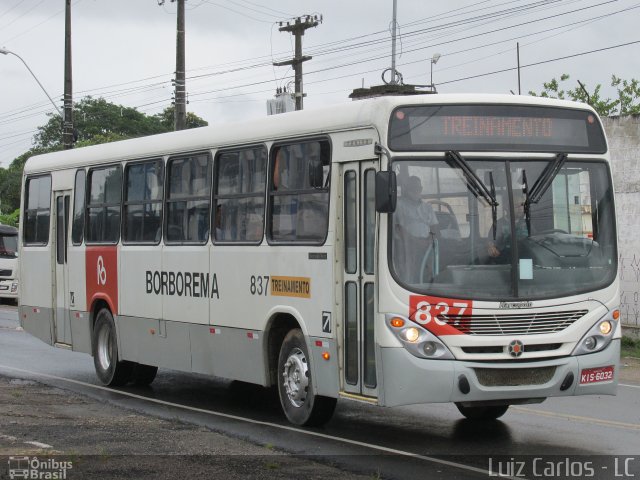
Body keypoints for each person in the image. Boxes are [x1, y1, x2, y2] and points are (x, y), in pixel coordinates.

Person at [393, 176, 439, 282]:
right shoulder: (398, 205)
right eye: (413, 188)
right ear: (407, 188)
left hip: (427, 245)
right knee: (408, 274)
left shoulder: (427, 207)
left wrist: (430, 240)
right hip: (406, 246)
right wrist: (415, 241)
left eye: (418, 188)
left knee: (428, 272)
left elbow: (435, 227)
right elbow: (397, 227)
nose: (416, 190)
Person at [487, 191, 528, 260]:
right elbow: (490, 242)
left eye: (522, 204)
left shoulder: (527, 223)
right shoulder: (498, 224)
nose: (521, 208)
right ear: (507, 207)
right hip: (504, 262)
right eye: (516, 206)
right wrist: (491, 248)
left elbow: (534, 240)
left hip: (525, 260)